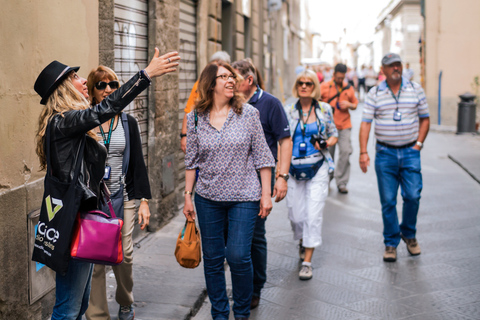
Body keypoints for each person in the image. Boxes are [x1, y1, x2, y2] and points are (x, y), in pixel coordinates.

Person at [33, 49, 179, 319]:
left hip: (81, 215)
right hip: (72, 220)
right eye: (76, 77)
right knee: (67, 309)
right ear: (64, 88)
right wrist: (145, 75)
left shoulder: (67, 124)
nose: (83, 82)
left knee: (79, 303)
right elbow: (108, 108)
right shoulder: (63, 122)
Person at [183, 62, 275, 320]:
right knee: (212, 260)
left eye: (232, 76)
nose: (231, 80)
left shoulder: (248, 114)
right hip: (207, 198)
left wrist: (265, 195)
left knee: (237, 255)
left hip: (244, 197)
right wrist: (187, 196)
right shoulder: (195, 119)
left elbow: (263, 158)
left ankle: (242, 313)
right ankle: (220, 314)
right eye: (224, 77)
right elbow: (191, 161)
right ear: (211, 84)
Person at [84, 66, 152, 320]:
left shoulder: (127, 122)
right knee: (95, 257)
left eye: (113, 84)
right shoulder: (86, 120)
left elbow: (137, 164)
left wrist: (143, 200)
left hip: (121, 197)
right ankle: (98, 314)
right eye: (101, 85)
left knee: (124, 254)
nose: (108, 90)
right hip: (93, 200)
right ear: (92, 91)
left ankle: (125, 301)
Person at [232, 59, 292, 309]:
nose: (228, 83)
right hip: (230, 180)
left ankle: (255, 287)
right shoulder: (228, 103)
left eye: (234, 79)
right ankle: (242, 284)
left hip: (259, 179)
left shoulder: (270, 104)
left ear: (249, 81)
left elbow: (284, 140)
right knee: (233, 237)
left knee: (254, 235)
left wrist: (282, 176)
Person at [359, 53, 430, 262]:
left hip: (410, 152)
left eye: (398, 64)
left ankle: (408, 233)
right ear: (383, 70)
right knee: (388, 201)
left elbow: (425, 119)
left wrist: (418, 144)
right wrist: (364, 152)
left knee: (413, 195)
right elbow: (365, 123)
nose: (396, 68)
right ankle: (391, 242)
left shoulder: (415, 89)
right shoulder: (374, 93)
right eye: (391, 66)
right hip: (385, 153)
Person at [284, 70, 338, 280]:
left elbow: (334, 134)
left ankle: (307, 261)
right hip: (293, 169)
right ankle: (302, 239)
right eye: (300, 83)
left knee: (313, 215)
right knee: (295, 215)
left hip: (318, 167)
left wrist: (326, 143)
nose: (304, 86)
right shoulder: (288, 110)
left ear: (314, 86)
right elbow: (283, 139)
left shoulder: (325, 109)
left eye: (308, 83)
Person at [180, 51, 231, 153]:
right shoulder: (199, 85)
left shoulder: (231, 87)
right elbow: (189, 110)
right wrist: (184, 135)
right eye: (213, 66)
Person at [320, 63, 358, 194]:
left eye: (342, 78)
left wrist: (349, 105)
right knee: (328, 155)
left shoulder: (348, 88)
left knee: (346, 152)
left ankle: (341, 182)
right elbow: (316, 103)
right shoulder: (324, 86)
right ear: (334, 74)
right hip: (329, 128)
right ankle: (327, 179)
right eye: (338, 78)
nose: (340, 80)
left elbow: (355, 105)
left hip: (344, 126)